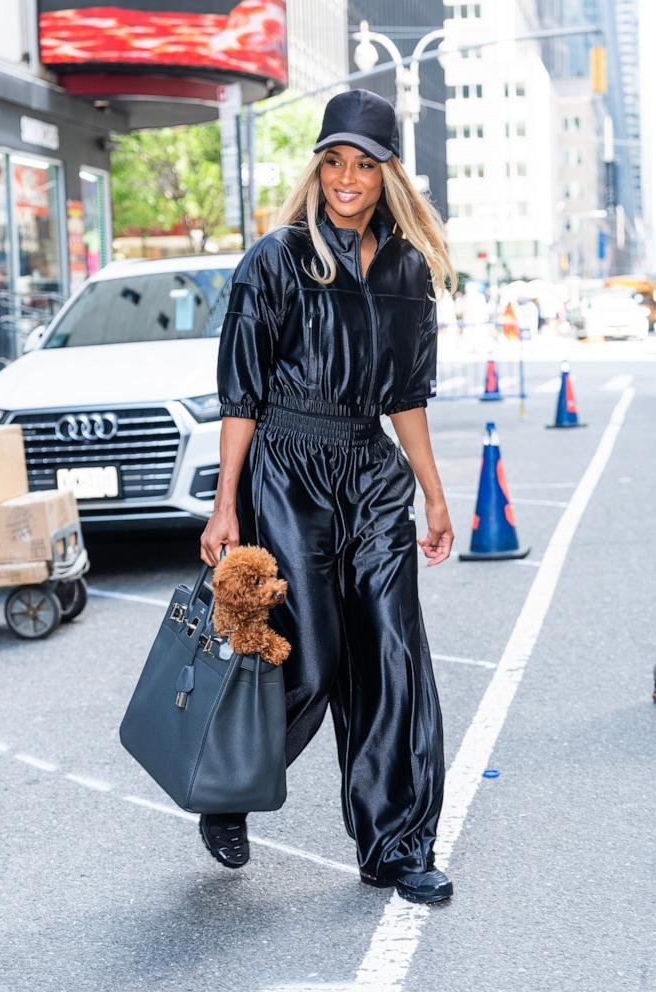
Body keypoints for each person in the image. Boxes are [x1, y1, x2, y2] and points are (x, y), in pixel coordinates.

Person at [200, 88, 457, 905]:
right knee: (306, 658)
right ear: (319, 166)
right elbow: (239, 394)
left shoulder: (408, 269)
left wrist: (434, 495)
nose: (348, 178)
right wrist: (225, 503)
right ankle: (229, 788)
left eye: (365, 164)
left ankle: (395, 845)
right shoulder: (275, 259)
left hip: (370, 475)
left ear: (387, 175)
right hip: (287, 467)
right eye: (335, 161)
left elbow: (406, 397)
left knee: (391, 656)